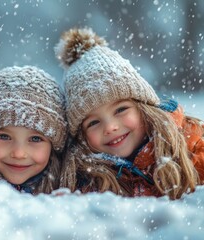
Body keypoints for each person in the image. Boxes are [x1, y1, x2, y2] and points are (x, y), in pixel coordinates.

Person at [55, 27, 204, 200]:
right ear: (81, 136)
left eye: (120, 110)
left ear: (143, 108)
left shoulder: (191, 145)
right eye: (93, 123)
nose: (110, 127)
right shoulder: (86, 181)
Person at [0, 65, 68, 194]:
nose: (19, 154)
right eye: (4, 136)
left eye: (35, 139)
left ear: (54, 146)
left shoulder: (68, 195)